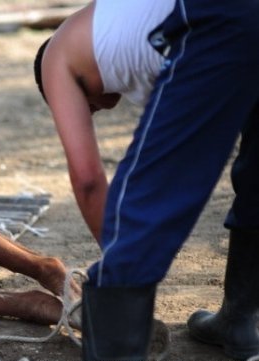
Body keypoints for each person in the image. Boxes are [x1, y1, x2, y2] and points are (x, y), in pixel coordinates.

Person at [34, 0, 259, 359]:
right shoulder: (117, 26)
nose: (92, 111)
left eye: (87, 107)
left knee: (143, 196)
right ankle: (241, 317)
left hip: (222, 14)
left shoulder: (55, 58)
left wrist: (120, 254)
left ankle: (115, 348)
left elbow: (89, 180)